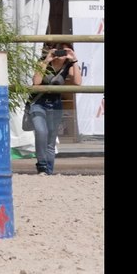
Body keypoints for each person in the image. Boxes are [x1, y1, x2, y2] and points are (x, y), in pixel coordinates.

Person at [29, 43, 81, 176]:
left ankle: (49, 171)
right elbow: (36, 81)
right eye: (60, 51)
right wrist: (47, 60)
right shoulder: (43, 62)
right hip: (38, 103)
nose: (62, 54)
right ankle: (41, 167)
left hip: (55, 104)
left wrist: (74, 59)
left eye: (66, 51)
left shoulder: (68, 65)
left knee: (51, 140)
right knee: (41, 132)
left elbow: (78, 82)